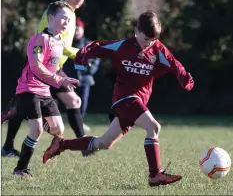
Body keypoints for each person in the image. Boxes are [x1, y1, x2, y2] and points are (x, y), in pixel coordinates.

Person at [43, 11, 194, 187]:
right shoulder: (123, 46)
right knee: (153, 127)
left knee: (104, 142)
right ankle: (155, 175)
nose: (149, 44)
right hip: (124, 98)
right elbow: (98, 47)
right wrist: (82, 56)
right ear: (136, 31)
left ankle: (61, 144)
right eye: (146, 39)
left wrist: (184, 78)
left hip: (138, 101)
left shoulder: (158, 50)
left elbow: (174, 64)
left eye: (153, 40)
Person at [1, 0, 92, 157]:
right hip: (43, 67)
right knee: (70, 102)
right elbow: (44, 37)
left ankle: (7, 147)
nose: (80, 0)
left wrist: (80, 54)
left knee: (24, 107)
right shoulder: (57, 12)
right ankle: (83, 145)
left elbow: (61, 45)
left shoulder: (70, 14)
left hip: (55, 67)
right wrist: (81, 53)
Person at [13, 1, 80, 180]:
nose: (66, 22)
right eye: (63, 18)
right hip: (28, 90)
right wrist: (60, 80)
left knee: (58, 129)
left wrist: (90, 52)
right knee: (36, 131)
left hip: (44, 91)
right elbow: (35, 66)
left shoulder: (59, 42)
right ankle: (20, 169)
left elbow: (68, 54)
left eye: (69, 19)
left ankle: (51, 145)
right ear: (50, 18)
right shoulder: (40, 39)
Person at [63, 17, 100, 126]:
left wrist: (89, 70)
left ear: (83, 29)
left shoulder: (89, 45)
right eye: (74, 29)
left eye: (78, 29)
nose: (76, 31)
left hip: (85, 79)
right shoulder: (67, 44)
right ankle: (72, 121)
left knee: (83, 101)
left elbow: (96, 60)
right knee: (70, 100)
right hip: (70, 79)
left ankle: (80, 121)